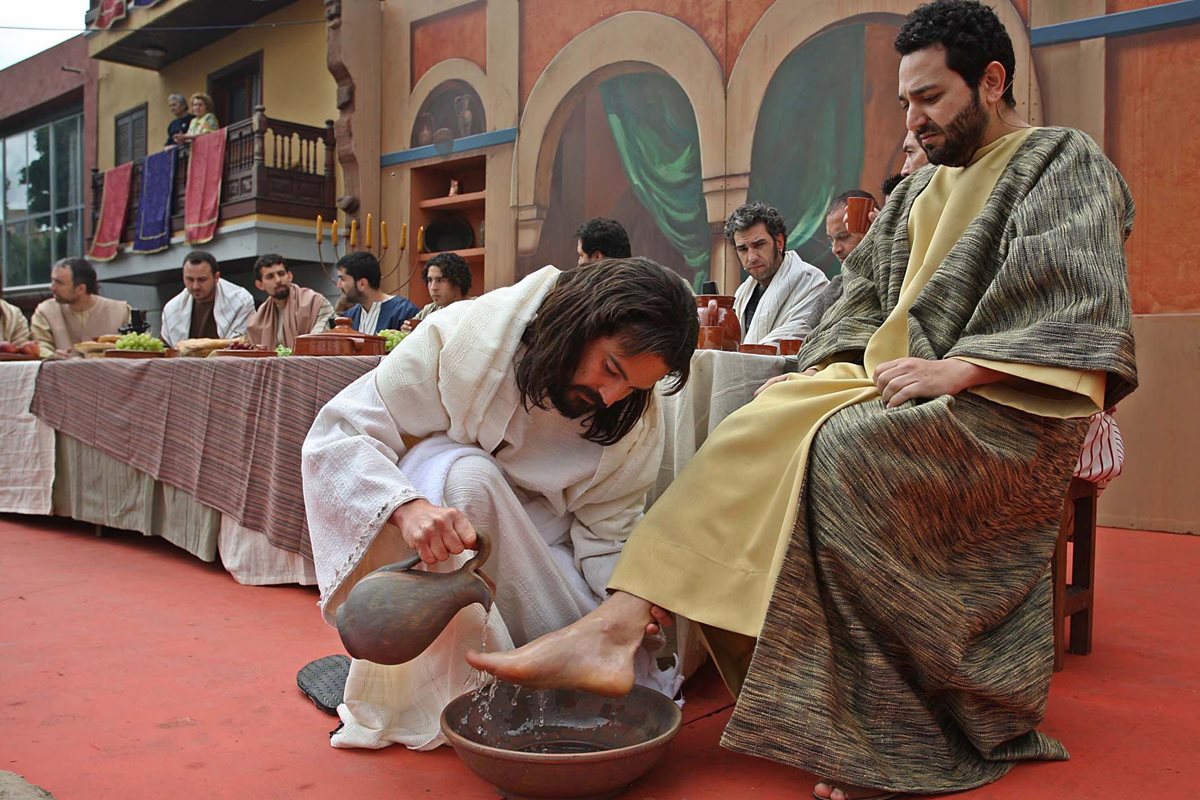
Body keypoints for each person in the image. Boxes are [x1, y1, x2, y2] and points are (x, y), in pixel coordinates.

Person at [468, 3, 1138, 799]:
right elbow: (858, 305)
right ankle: (621, 626)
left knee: (841, 452)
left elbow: (1074, 304)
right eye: (905, 103)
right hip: (894, 389)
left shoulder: (1060, 160)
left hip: (1003, 411)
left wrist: (960, 370)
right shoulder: (919, 192)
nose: (913, 121)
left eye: (930, 98)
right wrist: (817, 368)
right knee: (756, 424)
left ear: (992, 81)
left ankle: (880, 735)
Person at [301, 258, 697, 750]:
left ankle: (562, 659)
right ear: (577, 322)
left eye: (632, 387)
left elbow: (605, 538)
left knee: (619, 614)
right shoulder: (464, 338)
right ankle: (467, 682)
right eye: (611, 368)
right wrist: (408, 508)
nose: (611, 396)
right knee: (470, 479)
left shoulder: (630, 419)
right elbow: (339, 434)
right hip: (440, 509)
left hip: (544, 550)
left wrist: (628, 605)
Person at [727, 202, 828, 345]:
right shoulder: (742, 293)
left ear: (779, 242)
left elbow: (795, 338)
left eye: (759, 245)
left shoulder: (812, 282)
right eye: (743, 249)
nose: (752, 257)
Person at [806, 190, 881, 330]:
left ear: (873, 228)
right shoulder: (835, 287)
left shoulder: (891, 281)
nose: (835, 249)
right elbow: (806, 334)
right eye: (831, 240)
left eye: (843, 237)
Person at [30, 258, 131, 359]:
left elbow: (134, 349)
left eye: (59, 283)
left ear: (80, 289)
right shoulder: (45, 311)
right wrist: (51, 355)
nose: (52, 287)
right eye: (52, 280)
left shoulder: (121, 312)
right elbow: (40, 345)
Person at [160, 251, 255, 347]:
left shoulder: (240, 301)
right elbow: (166, 349)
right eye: (190, 279)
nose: (195, 286)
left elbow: (242, 343)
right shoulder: (172, 308)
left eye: (202, 279)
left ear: (216, 277)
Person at [244, 254, 335, 350]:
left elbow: (319, 341)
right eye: (270, 277)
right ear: (260, 285)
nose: (278, 280)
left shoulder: (315, 302)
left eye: (281, 274)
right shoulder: (258, 319)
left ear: (290, 276)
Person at [335, 251, 419, 334]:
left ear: (362, 284)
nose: (338, 285)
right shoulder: (349, 316)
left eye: (342, 279)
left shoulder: (404, 311)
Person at [400, 252, 471, 333]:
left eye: (440, 280)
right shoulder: (430, 310)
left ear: (457, 281)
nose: (433, 287)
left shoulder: (477, 308)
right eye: (430, 280)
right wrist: (406, 330)